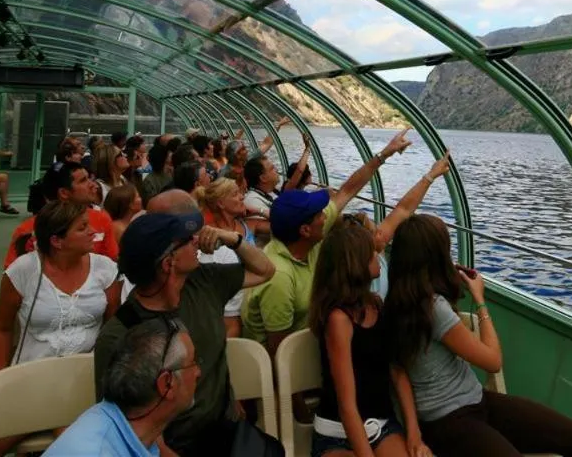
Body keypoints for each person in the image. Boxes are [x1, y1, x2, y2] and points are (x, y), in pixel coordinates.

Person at [385, 216, 572, 457]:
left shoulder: (395, 304)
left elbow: (399, 370)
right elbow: (492, 361)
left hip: (476, 401)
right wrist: (481, 301)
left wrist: (413, 429)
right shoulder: (434, 308)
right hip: (451, 422)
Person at [93, 191, 275, 456]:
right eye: (188, 240)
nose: (198, 241)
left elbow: (264, 270)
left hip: (225, 431)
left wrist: (231, 239)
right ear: (169, 262)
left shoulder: (206, 282)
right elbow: (122, 424)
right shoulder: (120, 335)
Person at [0, 201, 123, 457]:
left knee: (70, 442)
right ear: (57, 241)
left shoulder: (105, 269)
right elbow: (2, 329)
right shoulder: (23, 271)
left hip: (84, 382)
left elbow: (113, 329)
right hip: (32, 380)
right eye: (83, 228)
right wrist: (2, 382)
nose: (93, 231)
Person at [242, 129, 414, 354]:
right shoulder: (279, 277)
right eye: (319, 214)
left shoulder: (306, 241)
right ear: (305, 230)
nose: (327, 216)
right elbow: (280, 352)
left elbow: (348, 190)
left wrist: (385, 154)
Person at [308, 222, 426, 457]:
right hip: (338, 433)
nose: (378, 255)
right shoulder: (338, 320)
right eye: (371, 253)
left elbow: (397, 371)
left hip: (381, 425)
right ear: (355, 264)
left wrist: (414, 433)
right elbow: (347, 406)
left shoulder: (376, 306)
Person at [45, 318, 199, 457]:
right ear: (166, 383)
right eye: (192, 363)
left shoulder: (128, 426)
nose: (198, 372)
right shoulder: (97, 451)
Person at [4, 162, 119, 268]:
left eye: (89, 178)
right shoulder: (27, 230)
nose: (93, 185)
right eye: (83, 180)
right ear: (64, 193)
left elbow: (112, 264)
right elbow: (13, 276)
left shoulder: (102, 218)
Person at [192, 178, 254, 338]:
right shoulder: (212, 240)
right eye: (235, 194)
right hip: (236, 305)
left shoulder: (245, 224)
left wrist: (259, 211)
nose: (242, 197)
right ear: (220, 203)